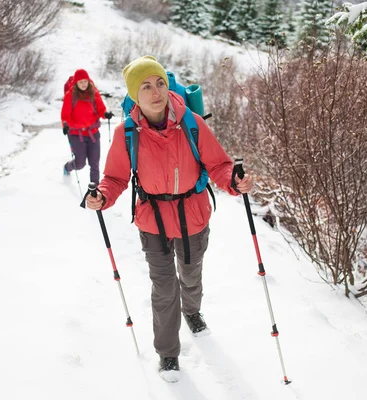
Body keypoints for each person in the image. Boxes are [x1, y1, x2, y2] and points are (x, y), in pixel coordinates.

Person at [85, 56, 253, 381]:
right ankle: (168, 353)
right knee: (163, 288)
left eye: (160, 82)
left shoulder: (191, 122)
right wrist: (102, 196)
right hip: (153, 222)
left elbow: (219, 164)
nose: (155, 91)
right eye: (145, 86)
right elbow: (116, 177)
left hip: (193, 213)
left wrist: (234, 180)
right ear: (135, 94)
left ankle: (192, 311)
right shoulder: (127, 133)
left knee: (190, 277)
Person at [60, 68, 114, 183]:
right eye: (81, 82)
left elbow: (100, 109)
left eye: (85, 81)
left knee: (94, 164)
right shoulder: (70, 96)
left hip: (93, 133)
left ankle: (94, 191)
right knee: (80, 163)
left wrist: (106, 114)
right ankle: (67, 167)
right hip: (76, 134)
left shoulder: (93, 93)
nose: (84, 84)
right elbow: (65, 115)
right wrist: (65, 125)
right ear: (76, 83)